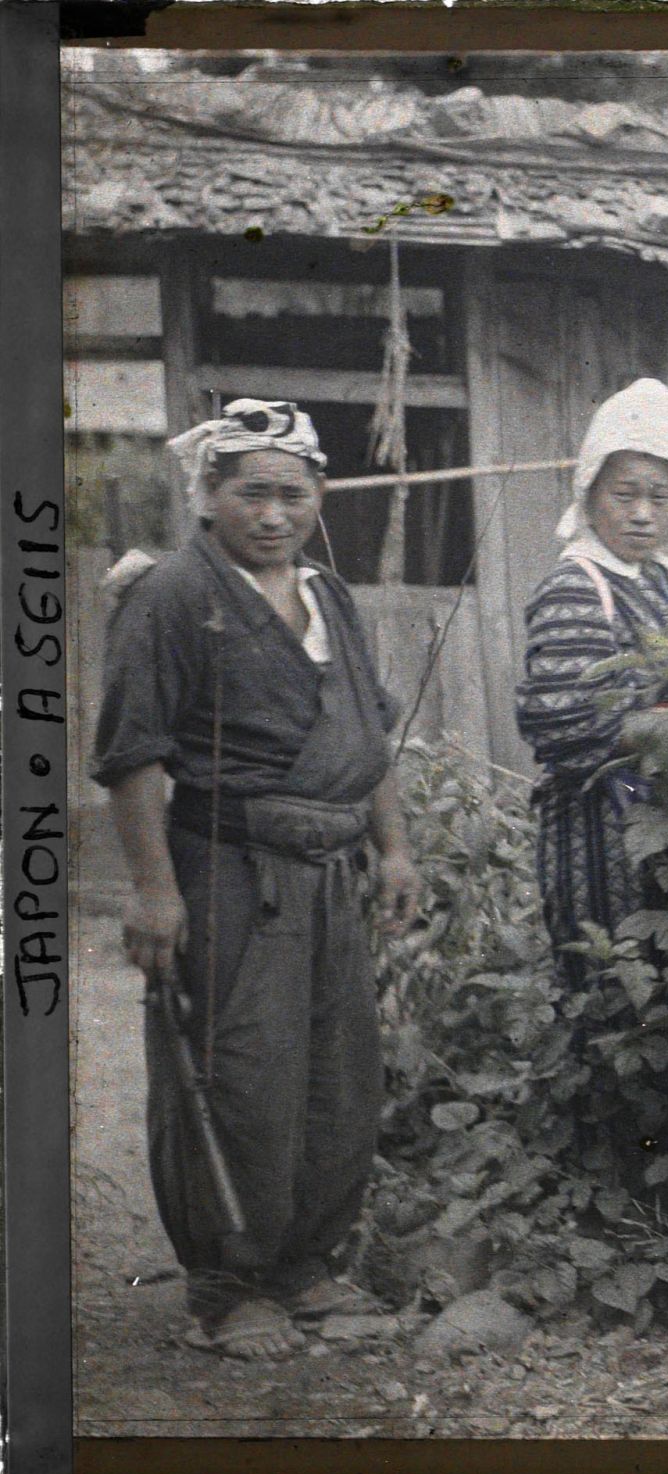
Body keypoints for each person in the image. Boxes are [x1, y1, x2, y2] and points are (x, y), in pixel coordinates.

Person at [92, 398, 422, 1360]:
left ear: (320, 495)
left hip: (329, 873)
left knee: (336, 1072)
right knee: (240, 1072)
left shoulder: (330, 597)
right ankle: (229, 1286)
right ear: (208, 494)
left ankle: (306, 1266)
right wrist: (155, 891)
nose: (274, 514)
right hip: (228, 868)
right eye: (251, 493)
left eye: (292, 493)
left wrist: (394, 848)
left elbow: (367, 734)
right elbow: (132, 757)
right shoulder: (171, 596)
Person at [515, 378, 668, 993]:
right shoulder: (577, 586)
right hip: (601, 829)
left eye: (660, 497)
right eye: (624, 494)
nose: (642, 513)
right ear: (590, 491)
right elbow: (563, 726)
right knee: (614, 987)